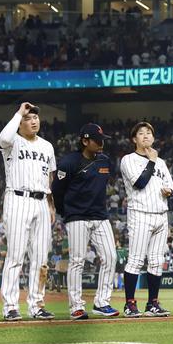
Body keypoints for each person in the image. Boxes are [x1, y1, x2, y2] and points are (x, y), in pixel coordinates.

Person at [52, 123, 120, 320]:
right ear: (85, 141)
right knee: (77, 261)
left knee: (110, 257)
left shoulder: (105, 161)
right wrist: (67, 213)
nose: (101, 144)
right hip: (77, 218)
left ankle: (102, 302)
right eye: (97, 140)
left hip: (100, 216)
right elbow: (57, 191)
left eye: (102, 140)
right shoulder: (68, 162)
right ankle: (76, 306)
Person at [0, 102, 55, 321]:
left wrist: (51, 206)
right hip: (18, 198)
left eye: (35, 118)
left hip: (41, 201)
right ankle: (10, 306)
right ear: (19, 122)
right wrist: (19, 112)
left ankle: (37, 304)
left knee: (41, 259)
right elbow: (3, 138)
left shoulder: (47, 146)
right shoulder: (12, 142)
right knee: (15, 256)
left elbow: (49, 178)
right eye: (28, 118)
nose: (34, 121)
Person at [119, 121, 173, 317]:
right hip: (140, 214)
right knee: (135, 260)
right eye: (141, 133)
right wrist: (151, 160)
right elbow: (141, 183)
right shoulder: (128, 159)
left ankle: (153, 303)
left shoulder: (161, 162)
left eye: (149, 133)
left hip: (161, 214)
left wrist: (169, 190)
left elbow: (170, 184)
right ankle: (129, 304)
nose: (145, 136)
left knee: (156, 261)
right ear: (134, 139)